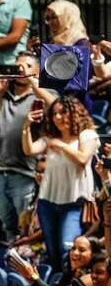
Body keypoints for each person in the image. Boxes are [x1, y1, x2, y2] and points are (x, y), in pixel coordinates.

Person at [23, 94, 100, 271]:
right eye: (55, 114)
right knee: (52, 252)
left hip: (74, 202)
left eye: (63, 112)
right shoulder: (50, 138)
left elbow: (82, 159)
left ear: (75, 113)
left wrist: (62, 146)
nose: (58, 117)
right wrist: (26, 126)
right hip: (47, 202)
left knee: (67, 249)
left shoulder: (87, 135)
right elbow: (29, 150)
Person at [0, 52, 42, 243]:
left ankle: (26, 263)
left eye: (27, 66)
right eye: (18, 65)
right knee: (7, 225)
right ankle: (11, 261)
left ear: (37, 71)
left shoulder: (40, 96)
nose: (21, 68)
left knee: (25, 225)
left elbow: (53, 107)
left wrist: (34, 84)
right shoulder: (2, 94)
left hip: (24, 171)